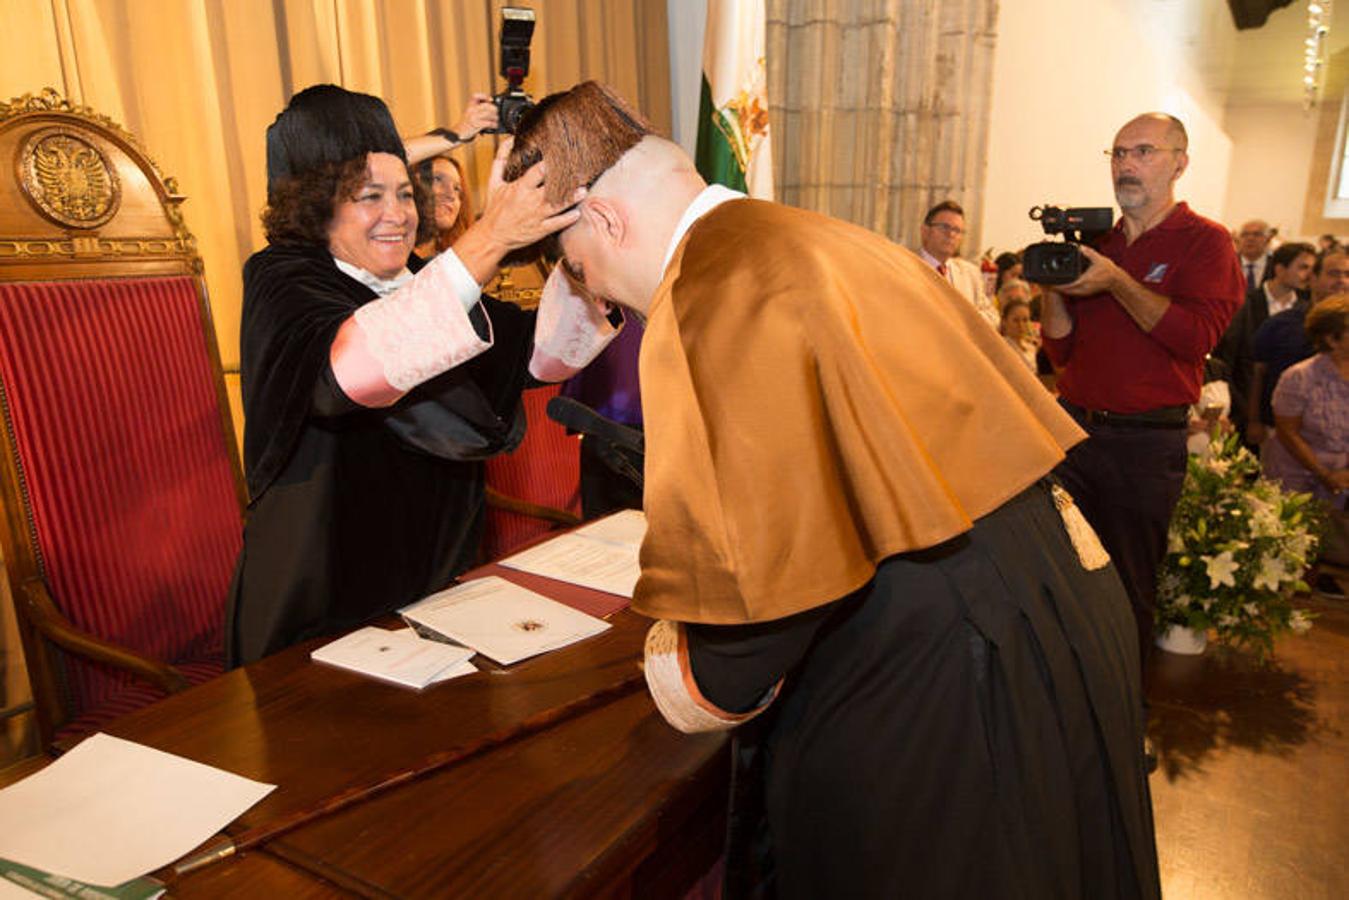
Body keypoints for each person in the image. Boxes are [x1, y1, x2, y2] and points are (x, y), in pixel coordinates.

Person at [505, 81, 1159, 899]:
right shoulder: (809, 236)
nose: (596, 293)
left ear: (602, 219)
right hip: (1048, 600)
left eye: (579, 266)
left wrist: (685, 677)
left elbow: (757, 596)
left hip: (948, 667)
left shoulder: (710, 290)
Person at [227, 85, 619, 664]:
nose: (399, 214)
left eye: (405, 194)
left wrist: (590, 255)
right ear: (316, 206)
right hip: (320, 615)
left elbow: (538, 357)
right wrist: (491, 236)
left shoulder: (418, 280)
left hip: (434, 596)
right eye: (370, 196)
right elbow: (351, 371)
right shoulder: (280, 278)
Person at [1040, 113, 1243, 667]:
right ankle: (1060, 708)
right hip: (1074, 430)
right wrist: (1051, 287)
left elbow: (1193, 337)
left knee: (1127, 586)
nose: (1126, 164)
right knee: (1058, 577)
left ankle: (1125, 726)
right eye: (1118, 153)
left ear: (1180, 162)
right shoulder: (1097, 241)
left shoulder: (1206, 243)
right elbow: (1060, 352)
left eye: (1144, 152)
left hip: (1143, 445)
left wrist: (1116, 282)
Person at [1263, 295, 1349, 588]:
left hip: (1340, 473)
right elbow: (1287, 432)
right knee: (1292, 552)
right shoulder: (1299, 377)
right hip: (1296, 471)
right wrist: (1324, 473)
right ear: (1332, 339)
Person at [1215, 241, 1315, 447]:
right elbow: (1229, 356)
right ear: (1280, 268)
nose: (1308, 275)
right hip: (1243, 403)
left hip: (1286, 411)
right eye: (1302, 267)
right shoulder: (1246, 303)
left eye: (1312, 269)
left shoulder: (1306, 311)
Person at [1247, 248, 1349, 449]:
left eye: (1347, 275)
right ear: (1313, 277)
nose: (1342, 281)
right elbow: (1257, 375)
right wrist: (1253, 421)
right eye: (1333, 273)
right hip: (1281, 431)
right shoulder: (1280, 324)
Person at [915, 200, 1000, 328]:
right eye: (944, 227)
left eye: (957, 230)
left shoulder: (971, 273)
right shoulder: (905, 265)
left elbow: (993, 317)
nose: (951, 234)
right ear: (925, 231)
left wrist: (965, 319)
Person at [1235, 219, 1273, 288]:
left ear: (1268, 240)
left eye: (1257, 234)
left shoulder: (1275, 266)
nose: (1250, 238)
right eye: (1244, 234)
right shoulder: (1228, 263)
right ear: (1238, 240)